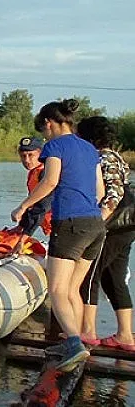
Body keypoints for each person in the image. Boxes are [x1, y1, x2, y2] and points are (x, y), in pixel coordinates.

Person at [11, 99, 106, 371]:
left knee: (57, 289)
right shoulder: (89, 148)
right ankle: (75, 341)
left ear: (49, 124)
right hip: (95, 225)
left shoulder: (55, 146)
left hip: (71, 224)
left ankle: (74, 344)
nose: (44, 135)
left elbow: (50, 181)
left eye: (43, 130)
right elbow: (99, 191)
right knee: (72, 289)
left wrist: (24, 206)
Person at [77, 116, 135, 351]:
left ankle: (87, 331)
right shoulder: (117, 156)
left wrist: (97, 224)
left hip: (114, 225)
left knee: (90, 273)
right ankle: (125, 335)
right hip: (128, 224)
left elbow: (112, 196)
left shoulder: (103, 157)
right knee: (114, 278)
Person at [17, 136, 53, 237]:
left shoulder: (46, 174)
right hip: (51, 226)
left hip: (62, 224)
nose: (27, 160)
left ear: (41, 154)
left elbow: (42, 206)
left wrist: (25, 235)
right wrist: (21, 226)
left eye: (31, 155)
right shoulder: (34, 172)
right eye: (23, 156)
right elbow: (31, 203)